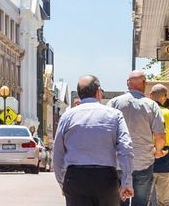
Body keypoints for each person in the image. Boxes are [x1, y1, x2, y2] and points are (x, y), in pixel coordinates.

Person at [53, 75, 134, 206]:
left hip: (76, 177)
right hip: (106, 178)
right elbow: (126, 148)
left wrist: (63, 183)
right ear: (98, 91)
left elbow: (58, 153)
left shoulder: (67, 116)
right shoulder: (115, 115)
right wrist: (127, 182)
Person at [109, 71, 167, 206]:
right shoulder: (151, 105)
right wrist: (158, 151)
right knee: (140, 203)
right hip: (143, 162)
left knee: (118, 203)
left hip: (119, 163)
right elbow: (160, 136)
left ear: (128, 84)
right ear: (144, 83)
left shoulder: (113, 103)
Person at [149, 85, 169, 206]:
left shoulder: (144, 113)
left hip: (146, 159)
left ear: (150, 96)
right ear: (164, 97)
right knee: (165, 201)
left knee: (143, 201)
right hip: (165, 158)